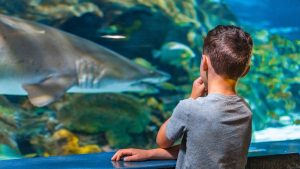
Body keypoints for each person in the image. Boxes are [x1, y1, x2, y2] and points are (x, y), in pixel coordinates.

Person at [111, 25, 253, 169]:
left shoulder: (190, 108)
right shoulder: (245, 111)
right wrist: (149, 154)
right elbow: (200, 148)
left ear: (204, 62)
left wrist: (192, 98)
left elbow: (162, 141)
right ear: (245, 71)